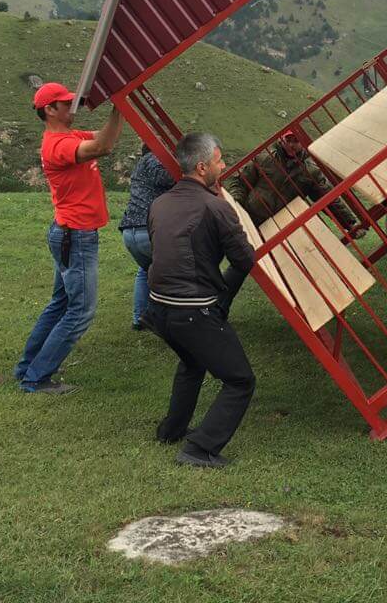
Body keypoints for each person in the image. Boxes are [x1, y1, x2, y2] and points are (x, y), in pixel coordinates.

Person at [147, 133, 257, 468]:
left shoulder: (160, 203)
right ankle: (199, 448)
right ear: (202, 166)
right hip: (191, 312)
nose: (223, 166)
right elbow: (244, 260)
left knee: (193, 362)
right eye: (219, 161)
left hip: (157, 310)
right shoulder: (215, 206)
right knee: (240, 380)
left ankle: (171, 430)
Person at [13, 82, 123, 394]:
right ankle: (36, 378)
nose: (72, 109)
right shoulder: (57, 146)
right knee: (81, 312)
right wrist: (120, 104)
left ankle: (26, 368)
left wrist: (120, 107)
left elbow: (106, 141)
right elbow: (100, 148)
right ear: (50, 110)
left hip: (68, 233)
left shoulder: (67, 136)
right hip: (76, 236)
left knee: (61, 303)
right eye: (65, 104)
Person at [230, 132, 366, 238]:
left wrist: (351, 224)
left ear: (303, 143)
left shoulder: (311, 171)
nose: (292, 145)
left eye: (296, 141)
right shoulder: (265, 158)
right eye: (288, 140)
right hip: (249, 216)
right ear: (281, 140)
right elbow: (241, 182)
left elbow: (328, 198)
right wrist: (236, 206)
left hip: (279, 228)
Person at [118, 144, 175, 330]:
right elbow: (166, 176)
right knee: (175, 272)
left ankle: (140, 318)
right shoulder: (154, 159)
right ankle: (176, 320)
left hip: (130, 231)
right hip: (149, 230)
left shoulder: (140, 166)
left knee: (145, 271)